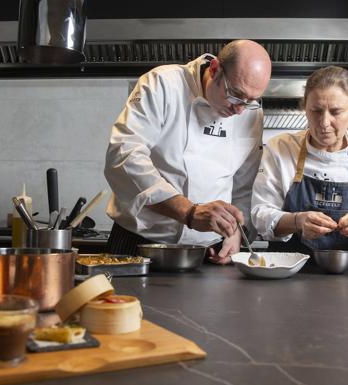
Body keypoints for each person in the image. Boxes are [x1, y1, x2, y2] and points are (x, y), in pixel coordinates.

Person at [104, 40, 272, 264]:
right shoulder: (163, 84)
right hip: (140, 242)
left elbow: (244, 183)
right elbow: (124, 154)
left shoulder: (251, 113)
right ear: (214, 69)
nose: (240, 109)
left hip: (208, 251)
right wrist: (188, 212)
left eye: (251, 100)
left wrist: (236, 232)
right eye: (235, 94)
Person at [251, 66, 348, 266]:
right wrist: (297, 221)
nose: (324, 122)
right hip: (289, 274)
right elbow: (260, 214)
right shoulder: (281, 147)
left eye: (336, 112)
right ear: (305, 107)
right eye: (316, 110)